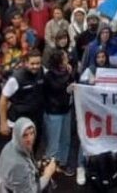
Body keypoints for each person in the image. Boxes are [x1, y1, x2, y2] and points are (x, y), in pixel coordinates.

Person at [0, 116, 57, 193]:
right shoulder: (17, 164)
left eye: (32, 133)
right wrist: (48, 174)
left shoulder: (11, 146)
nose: (30, 139)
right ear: (18, 135)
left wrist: (35, 165)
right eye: (25, 135)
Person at [0, 50, 45, 142]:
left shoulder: (42, 71)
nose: (35, 66)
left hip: (34, 120)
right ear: (26, 63)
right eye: (32, 64)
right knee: (17, 151)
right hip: (17, 120)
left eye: (38, 63)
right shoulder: (16, 78)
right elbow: (3, 99)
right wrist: (3, 122)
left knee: (32, 149)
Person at [42, 49, 74, 177]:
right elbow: (51, 91)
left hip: (66, 109)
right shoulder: (49, 76)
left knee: (65, 138)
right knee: (53, 141)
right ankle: (50, 166)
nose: (68, 59)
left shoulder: (68, 71)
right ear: (59, 61)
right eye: (65, 57)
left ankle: (62, 163)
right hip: (54, 112)